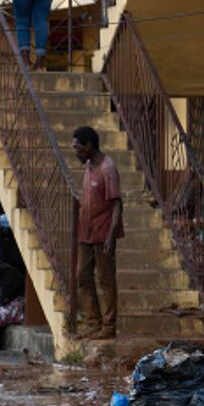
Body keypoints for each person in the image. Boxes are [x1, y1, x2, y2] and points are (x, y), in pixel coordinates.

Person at [72, 126, 123, 339]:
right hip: (86, 231)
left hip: (103, 233)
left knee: (105, 279)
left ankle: (109, 326)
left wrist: (111, 235)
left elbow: (117, 204)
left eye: (78, 147)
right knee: (82, 276)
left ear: (89, 146)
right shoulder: (89, 165)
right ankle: (93, 321)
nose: (76, 152)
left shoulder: (107, 168)